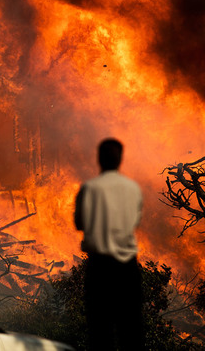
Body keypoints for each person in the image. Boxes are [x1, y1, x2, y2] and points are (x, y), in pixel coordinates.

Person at [74, 138, 144, 351]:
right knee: (130, 333)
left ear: (99, 159)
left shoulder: (89, 188)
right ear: (120, 159)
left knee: (100, 333)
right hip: (128, 268)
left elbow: (79, 223)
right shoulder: (133, 188)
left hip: (100, 269)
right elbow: (135, 221)